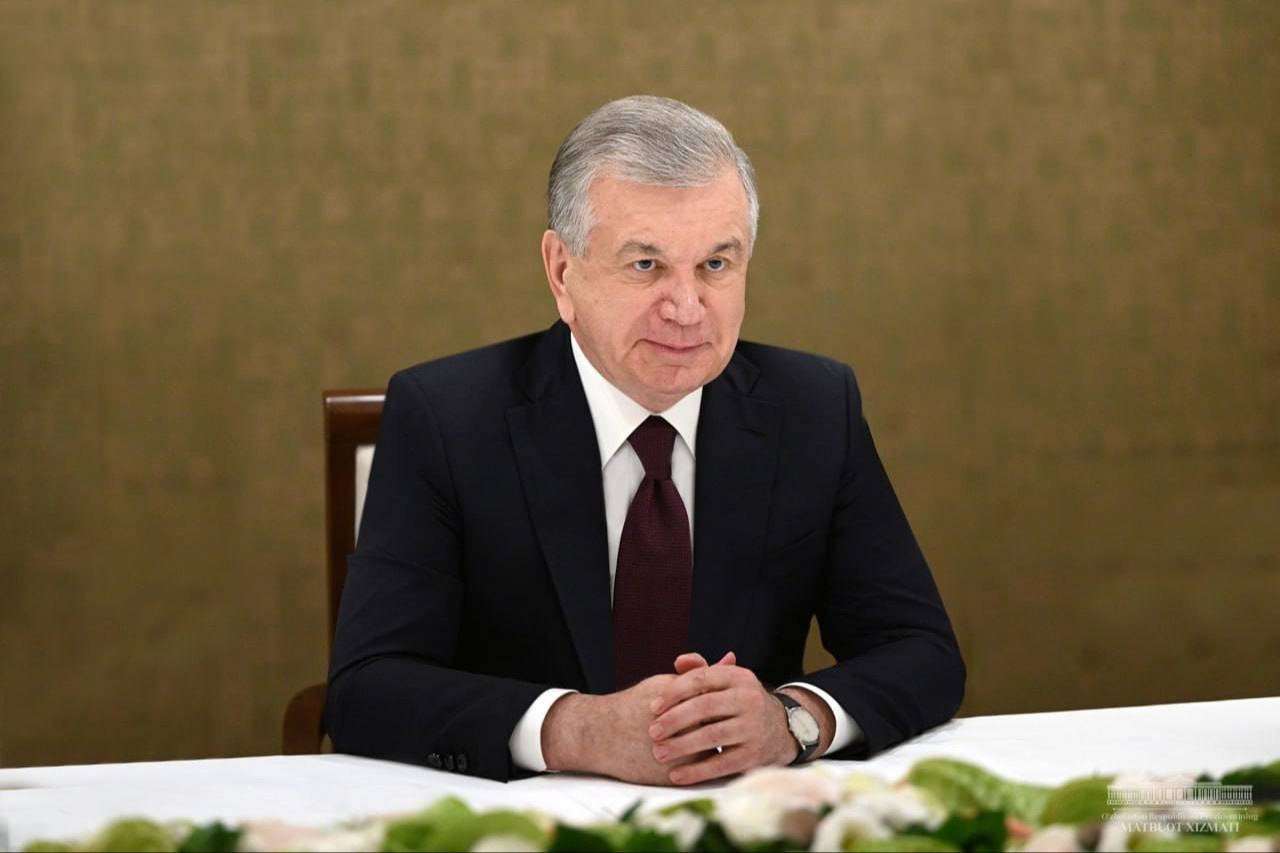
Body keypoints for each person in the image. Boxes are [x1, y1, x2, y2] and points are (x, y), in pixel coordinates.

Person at [325, 95, 964, 786]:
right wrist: (575, 729)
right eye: (646, 266)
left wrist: (792, 720)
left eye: (715, 265)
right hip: (525, 816)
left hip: (741, 814)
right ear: (562, 271)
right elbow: (366, 687)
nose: (686, 309)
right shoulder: (447, 418)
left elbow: (921, 651)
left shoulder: (812, 409)